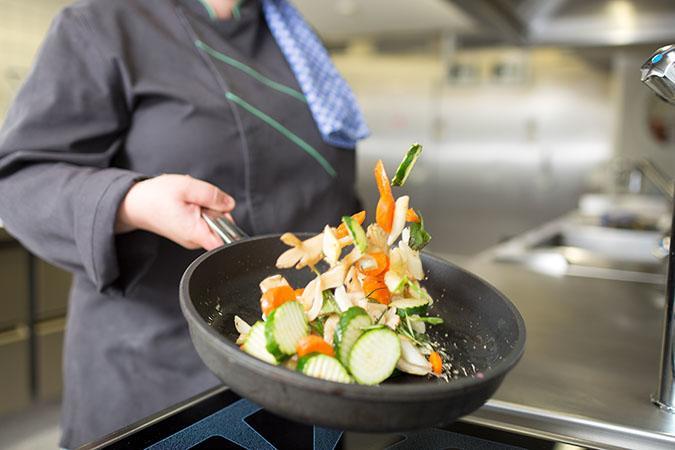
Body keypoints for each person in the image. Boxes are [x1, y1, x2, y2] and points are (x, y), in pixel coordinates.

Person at [0, 0, 367, 447]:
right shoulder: (104, 23)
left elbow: (327, 187)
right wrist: (132, 200)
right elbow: (20, 180)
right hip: (165, 375)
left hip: (307, 373)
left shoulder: (294, 37)